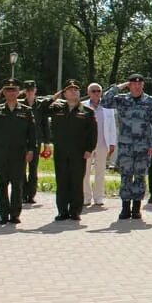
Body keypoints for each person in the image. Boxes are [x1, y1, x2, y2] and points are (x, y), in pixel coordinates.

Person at [101, 74, 152, 221]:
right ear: (130, 85)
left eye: (140, 84)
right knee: (126, 176)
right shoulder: (122, 99)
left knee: (140, 176)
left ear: (143, 86)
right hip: (126, 145)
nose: (137, 86)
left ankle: (136, 209)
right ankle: (125, 208)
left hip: (143, 146)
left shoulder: (150, 101)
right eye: (133, 84)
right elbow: (105, 101)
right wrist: (119, 86)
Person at [0, 79, 36, 225]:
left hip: (19, 152)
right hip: (0, 152)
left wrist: (31, 150)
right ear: (3, 92)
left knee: (17, 184)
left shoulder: (25, 110)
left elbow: (32, 133)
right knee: (2, 183)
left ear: (18, 92)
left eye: (14, 90)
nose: (11, 93)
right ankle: (3, 214)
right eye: (7, 90)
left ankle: (15, 214)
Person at [48, 79, 97, 221]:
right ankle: (62, 211)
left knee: (76, 181)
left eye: (76, 89)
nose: (73, 92)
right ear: (64, 93)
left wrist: (90, 148)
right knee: (62, 181)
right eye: (70, 89)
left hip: (79, 152)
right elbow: (40, 110)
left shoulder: (87, 111)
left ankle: (75, 211)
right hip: (61, 151)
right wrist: (54, 97)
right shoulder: (56, 108)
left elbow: (92, 133)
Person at [82, 83, 116, 207]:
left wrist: (112, 143)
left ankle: (99, 197)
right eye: (93, 91)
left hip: (103, 143)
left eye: (98, 91)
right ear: (88, 92)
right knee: (85, 171)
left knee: (100, 171)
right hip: (87, 144)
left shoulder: (108, 106)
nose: (96, 93)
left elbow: (112, 126)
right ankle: (86, 197)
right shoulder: (82, 106)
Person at [20, 80, 52, 204]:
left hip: (36, 140)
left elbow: (45, 125)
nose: (29, 93)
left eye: (31, 90)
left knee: (33, 169)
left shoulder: (40, 105)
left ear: (35, 90)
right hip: (22, 140)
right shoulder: (20, 104)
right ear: (24, 91)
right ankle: (23, 194)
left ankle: (31, 195)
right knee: (21, 168)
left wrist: (47, 142)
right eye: (27, 90)